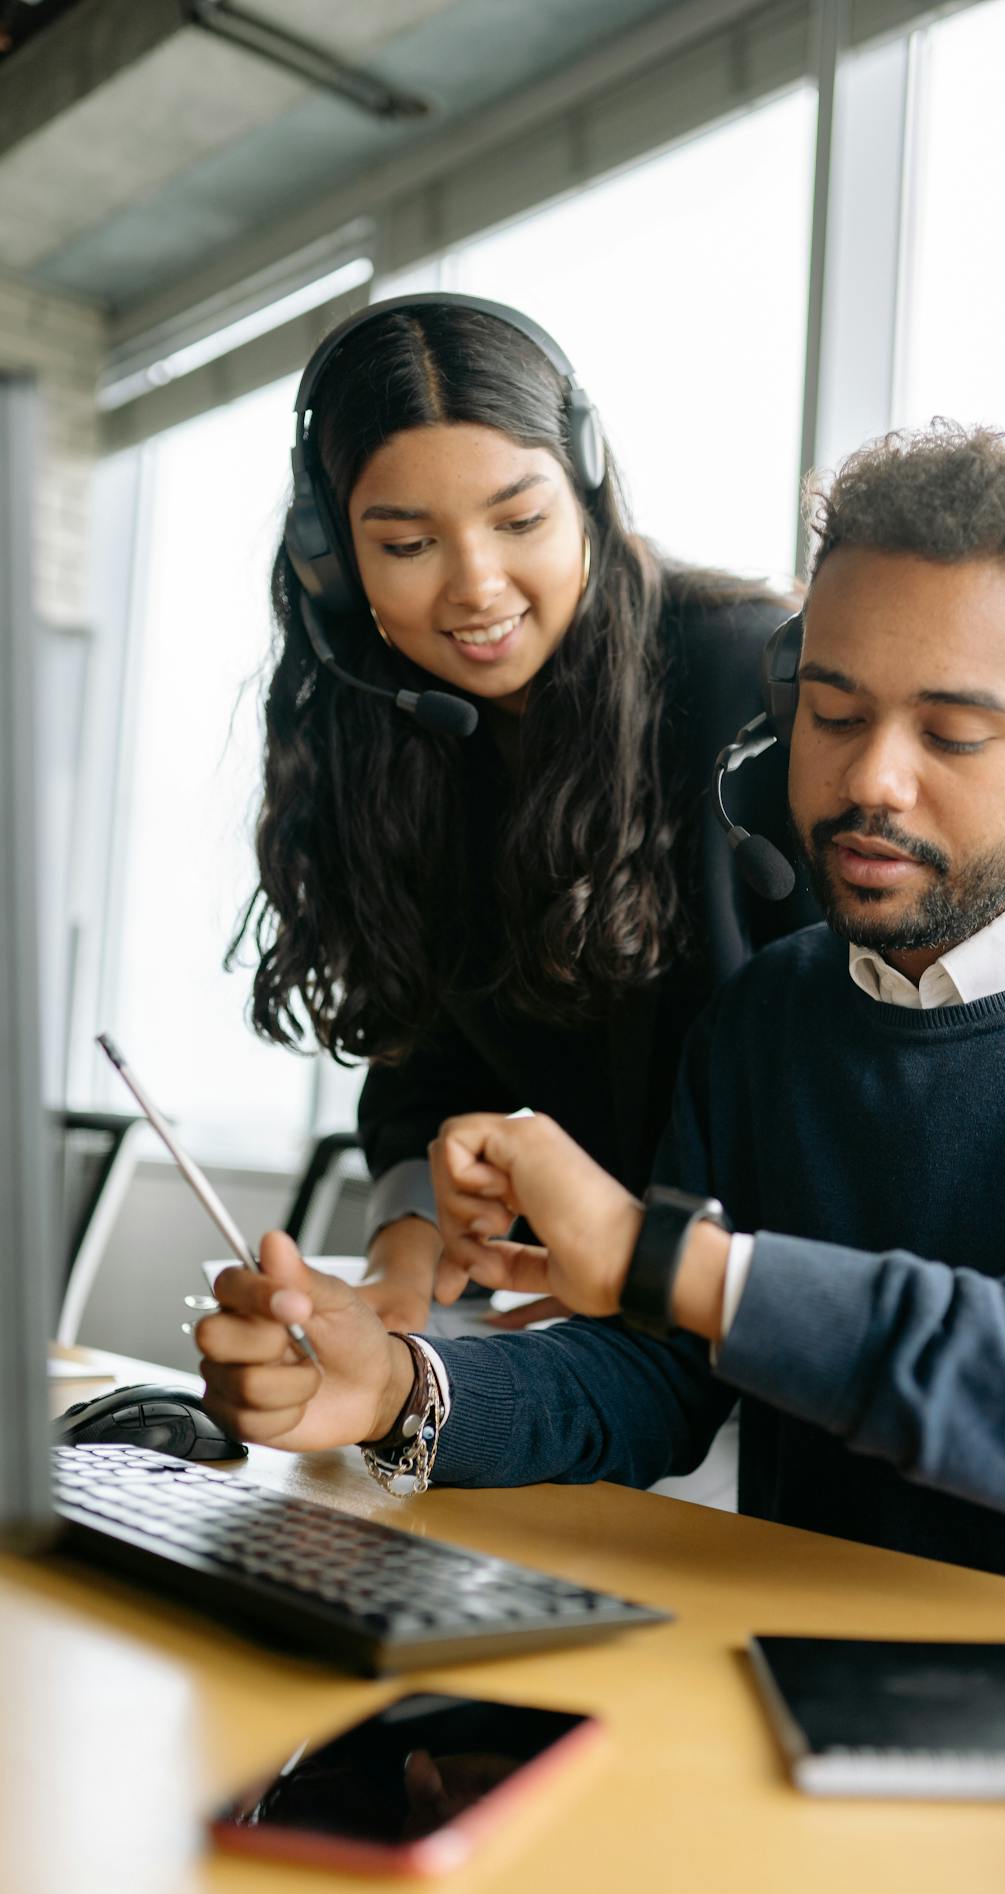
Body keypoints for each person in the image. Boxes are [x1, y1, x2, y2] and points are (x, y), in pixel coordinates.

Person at [202, 422, 1005, 1640]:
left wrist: (673, 1259)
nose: (876, 780)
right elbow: (664, 1375)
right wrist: (395, 1386)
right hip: (828, 1706)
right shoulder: (771, 1016)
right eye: (834, 712)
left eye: (954, 734)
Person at [230, 294, 815, 1336]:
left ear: (586, 491)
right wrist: (402, 1276)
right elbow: (423, 1063)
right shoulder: (395, 732)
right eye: (409, 544)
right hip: (591, 1330)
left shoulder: (748, 681)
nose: (476, 586)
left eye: (520, 520)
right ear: (333, 566)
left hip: (778, 1300)